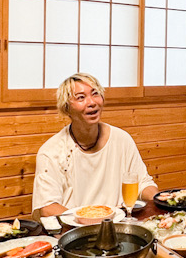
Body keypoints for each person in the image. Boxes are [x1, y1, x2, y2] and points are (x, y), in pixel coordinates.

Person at [33, 73, 158, 217]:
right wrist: (89, 219)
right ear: (66, 108)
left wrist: (161, 199)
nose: (91, 102)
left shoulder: (122, 139)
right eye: (81, 97)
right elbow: (47, 207)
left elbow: (143, 183)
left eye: (95, 94)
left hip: (118, 223)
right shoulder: (51, 151)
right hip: (74, 230)